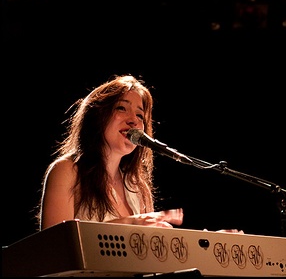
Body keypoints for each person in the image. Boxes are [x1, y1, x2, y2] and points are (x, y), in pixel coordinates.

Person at [36, 74, 183, 231]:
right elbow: (56, 247)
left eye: (140, 115)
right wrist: (128, 224)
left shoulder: (139, 189)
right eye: (121, 108)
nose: (133, 120)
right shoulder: (67, 171)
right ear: (98, 116)